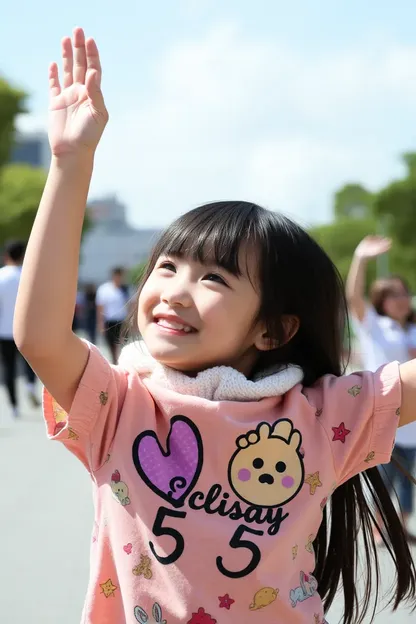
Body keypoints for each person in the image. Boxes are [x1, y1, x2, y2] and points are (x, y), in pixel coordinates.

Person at [13, 29, 416, 624]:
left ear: (273, 332)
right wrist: (71, 163)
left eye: (213, 279)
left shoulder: (320, 417)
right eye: (168, 266)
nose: (173, 291)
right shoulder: (118, 405)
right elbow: (40, 336)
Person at [346, 235, 416, 543]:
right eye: (394, 294)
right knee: (384, 479)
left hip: (414, 424)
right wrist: (361, 258)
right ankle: (378, 530)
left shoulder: (413, 328)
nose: (402, 299)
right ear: (381, 301)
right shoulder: (372, 325)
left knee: (406, 482)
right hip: (386, 417)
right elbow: (354, 298)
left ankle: (398, 529)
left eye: (405, 293)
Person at [0, 240, 40, 417]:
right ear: (23, 256)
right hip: (27, 329)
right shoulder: (29, 275)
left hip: (4, 330)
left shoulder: (1, 276)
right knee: (30, 362)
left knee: (9, 367)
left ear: (6, 255)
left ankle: (14, 406)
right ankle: (30, 384)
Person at [96, 267, 130, 363]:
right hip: (110, 321)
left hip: (122, 321)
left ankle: (121, 361)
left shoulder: (126, 289)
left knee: (122, 343)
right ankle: (115, 362)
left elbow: (130, 305)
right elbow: (100, 307)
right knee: (111, 344)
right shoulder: (104, 289)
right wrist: (100, 323)